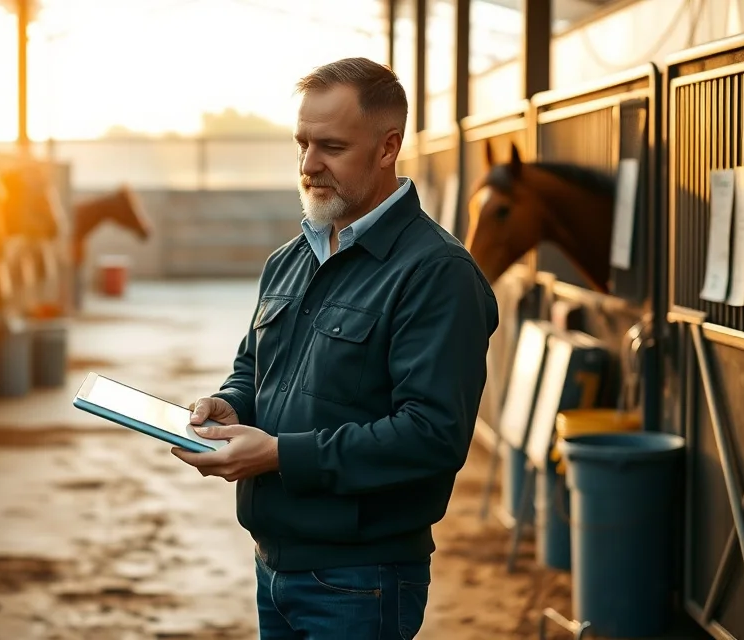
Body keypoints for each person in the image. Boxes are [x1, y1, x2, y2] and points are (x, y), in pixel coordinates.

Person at [171, 57, 500, 639]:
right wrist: (231, 406)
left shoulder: (435, 273)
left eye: (331, 146)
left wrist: (278, 455)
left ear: (387, 148)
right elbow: (254, 367)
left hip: (361, 579)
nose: (307, 164)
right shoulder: (290, 259)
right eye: (301, 143)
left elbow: (432, 435)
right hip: (273, 565)